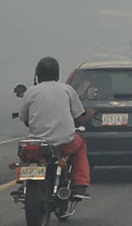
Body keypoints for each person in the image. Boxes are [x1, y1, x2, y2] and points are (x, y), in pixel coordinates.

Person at [18, 57, 92, 197]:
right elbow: (78, 119)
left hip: (38, 144)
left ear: (37, 75)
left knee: (26, 153)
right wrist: (90, 114)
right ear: (57, 74)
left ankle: (23, 183)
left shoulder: (30, 92)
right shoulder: (67, 90)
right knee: (81, 143)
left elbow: (25, 120)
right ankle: (80, 185)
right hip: (63, 144)